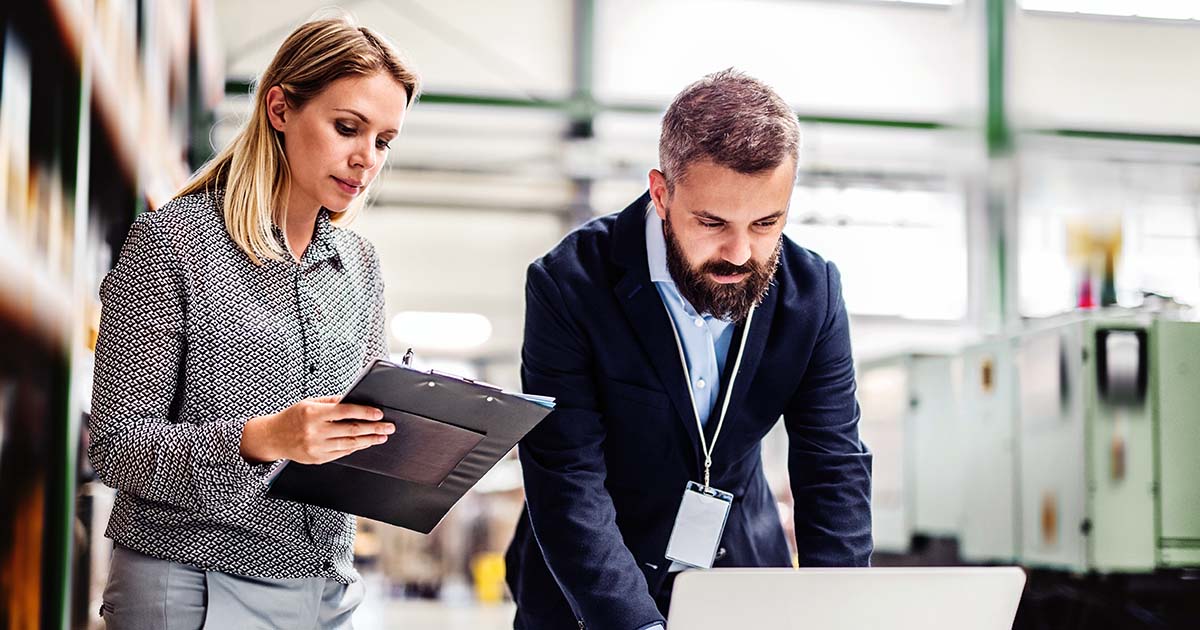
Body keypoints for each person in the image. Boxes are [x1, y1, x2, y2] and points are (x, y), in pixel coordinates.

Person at [505, 69, 873, 629]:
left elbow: (833, 466)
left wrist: (838, 614)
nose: (740, 251)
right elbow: (567, 475)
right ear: (661, 193)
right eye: (712, 222)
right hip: (590, 593)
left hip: (740, 578)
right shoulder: (571, 284)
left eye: (766, 222)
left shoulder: (813, 293)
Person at [89, 16, 418, 629]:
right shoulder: (174, 244)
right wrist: (258, 439)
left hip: (327, 587)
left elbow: (348, 437)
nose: (365, 159)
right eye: (347, 127)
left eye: (383, 141)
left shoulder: (359, 268)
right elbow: (117, 448)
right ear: (279, 108)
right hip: (193, 582)